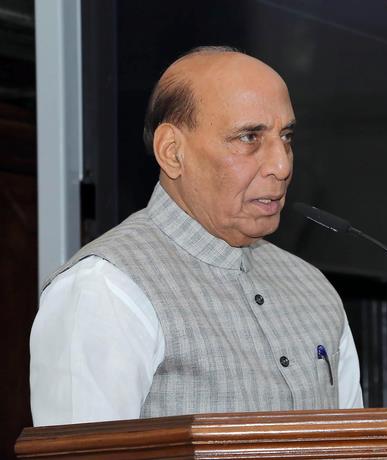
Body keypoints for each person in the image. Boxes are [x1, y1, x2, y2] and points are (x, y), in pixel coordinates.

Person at [30, 46, 363, 426]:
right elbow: (81, 451)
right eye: (249, 137)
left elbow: (354, 443)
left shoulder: (312, 288)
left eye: (285, 137)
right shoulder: (105, 288)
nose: (281, 165)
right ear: (172, 152)